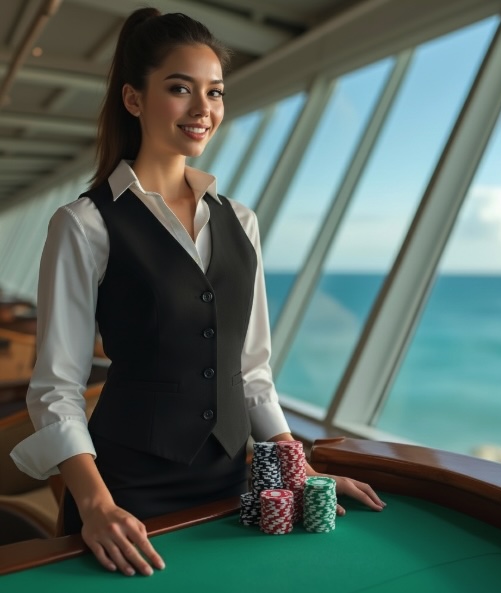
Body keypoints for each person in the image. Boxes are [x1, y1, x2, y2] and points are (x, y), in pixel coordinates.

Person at [10, 7, 385, 577]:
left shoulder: (241, 219)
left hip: (231, 477)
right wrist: (95, 503)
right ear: (133, 100)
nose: (202, 109)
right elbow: (57, 388)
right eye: (180, 89)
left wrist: (297, 468)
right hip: (127, 487)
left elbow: (251, 370)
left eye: (214, 92)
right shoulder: (83, 223)